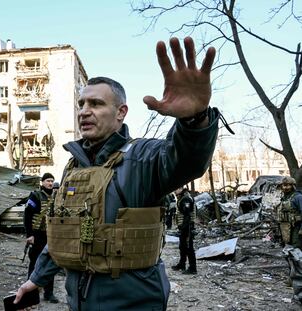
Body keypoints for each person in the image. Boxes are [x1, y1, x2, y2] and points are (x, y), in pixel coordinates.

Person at [14, 37, 220, 310]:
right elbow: (65, 234)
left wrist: (194, 120)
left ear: (121, 112)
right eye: (82, 104)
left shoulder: (142, 157)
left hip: (133, 302)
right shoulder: (74, 166)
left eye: (96, 104)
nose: (85, 112)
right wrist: (36, 279)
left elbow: (187, 160)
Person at [23, 172, 59, 304]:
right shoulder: (35, 195)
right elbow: (27, 215)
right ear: (42, 182)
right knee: (35, 263)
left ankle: (48, 293)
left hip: (50, 235)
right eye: (48, 181)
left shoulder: (56, 197)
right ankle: (30, 293)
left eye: (52, 181)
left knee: (50, 262)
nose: (50, 183)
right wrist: (29, 235)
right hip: (37, 234)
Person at [172, 187, 197, 274]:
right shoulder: (182, 197)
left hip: (187, 227)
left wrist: (183, 228)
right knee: (182, 246)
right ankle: (182, 264)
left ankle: (193, 268)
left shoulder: (186, 198)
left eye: (176, 189)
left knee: (189, 247)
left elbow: (187, 215)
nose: (174, 191)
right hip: (184, 227)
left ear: (180, 188)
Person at [277, 176, 302, 248]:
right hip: (285, 228)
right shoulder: (284, 198)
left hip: (296, 227)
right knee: (288, 246)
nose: (285, 187)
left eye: (288, 185)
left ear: (293, 186)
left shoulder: (298, 197)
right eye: (284, 185)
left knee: (296, 247)